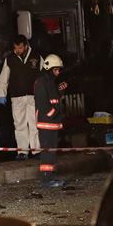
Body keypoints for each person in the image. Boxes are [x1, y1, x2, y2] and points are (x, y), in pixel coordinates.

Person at [0, 35, 43, 160]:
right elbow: (3, 79)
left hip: (33, 96)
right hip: (17, 97)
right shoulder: (10, 59)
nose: (17, 50)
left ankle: (36, 150)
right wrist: (2, 94)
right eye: (16, 47)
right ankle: (23, 151)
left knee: (34, 124)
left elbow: (44, 76)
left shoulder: (37, 57)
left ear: (26, 46)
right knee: (19, 124)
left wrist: (44, 93)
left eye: (20, 47)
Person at [34, 54, 65, 187]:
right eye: (55, 70)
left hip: (53, 122)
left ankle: (50, 176)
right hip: (46, 122)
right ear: (49, 68)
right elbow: (42, 103)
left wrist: (60, 91)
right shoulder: (40, 82)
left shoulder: (50, 82)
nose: (57, 73)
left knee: (51, 151)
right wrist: (53, 114)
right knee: (47, 151)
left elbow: (53, 98)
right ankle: (46, 179)